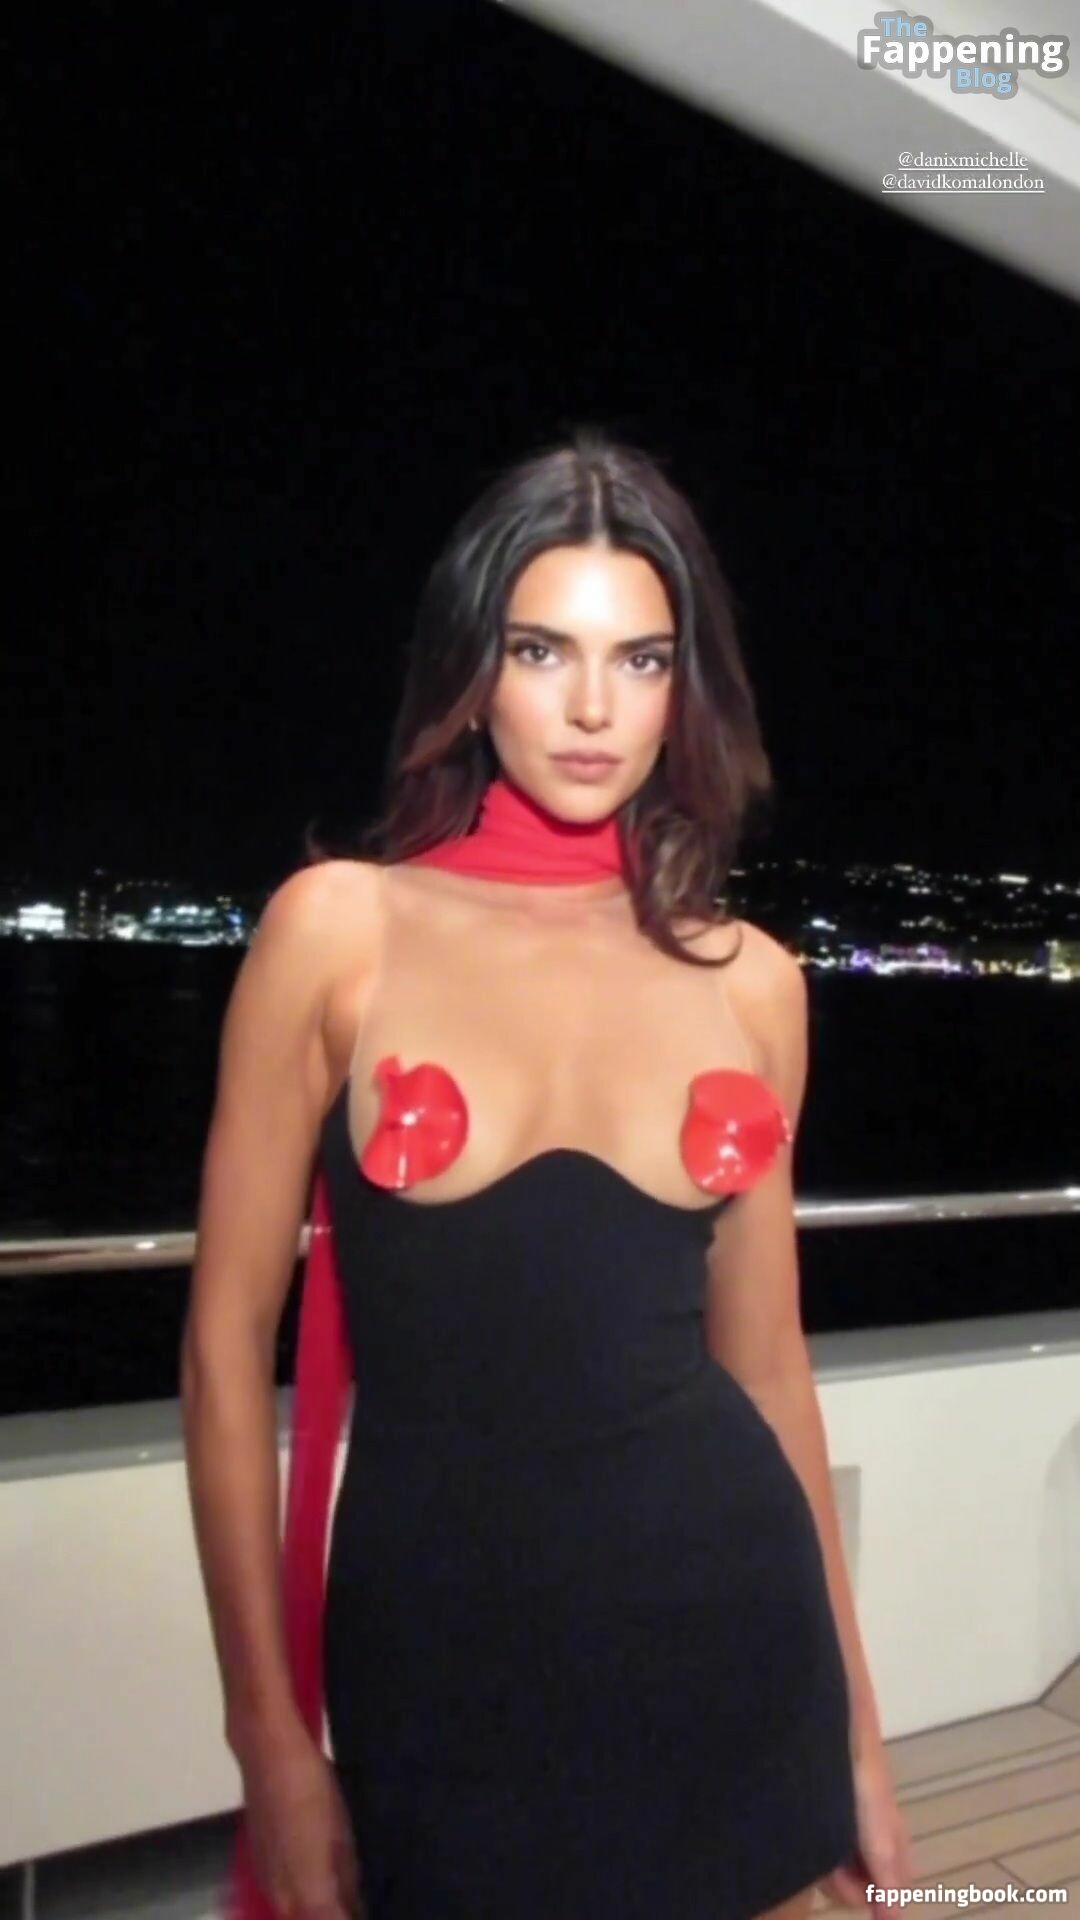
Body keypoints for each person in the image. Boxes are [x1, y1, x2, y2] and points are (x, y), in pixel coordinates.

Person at [181, 426, 912, 1920]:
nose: (593, 708)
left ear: (684, 688)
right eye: (542, 651)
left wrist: (857, 1731)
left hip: (734, 1644)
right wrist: (270, 1739)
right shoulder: (339, 929)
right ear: (473, 668)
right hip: (445, 1677)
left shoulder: (751, 982)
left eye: (640, 661)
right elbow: (219, 1351)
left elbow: (771, 1373)